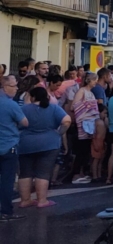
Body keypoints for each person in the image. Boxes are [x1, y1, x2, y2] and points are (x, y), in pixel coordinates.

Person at [16, 87, 69, 209]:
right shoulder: (54, 108)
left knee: (25, 172)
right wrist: (59, 133)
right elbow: (67, 121)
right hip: (49, 144)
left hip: (25, 143)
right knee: (43, 172)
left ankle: (25, 200)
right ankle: (42, 200)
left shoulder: (23, 109)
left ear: (33, 97)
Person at [0, 74, 28, 222]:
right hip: (8, 146)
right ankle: (6, 212)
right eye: (14, 86)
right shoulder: (11, 104)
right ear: (5, 87)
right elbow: (25, 122)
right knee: (7, 181)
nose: (17, 88)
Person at [69, 72, 100, 184]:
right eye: (94, 80)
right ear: (88, 80)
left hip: (90, 124)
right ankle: (76, 174)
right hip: (82, 124)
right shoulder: (81, 91)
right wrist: (88, 106)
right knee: (81, 150)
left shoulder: (90, 93)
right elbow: (74, 106)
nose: (96, 82)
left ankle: (81, 173)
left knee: (86, 150)